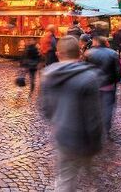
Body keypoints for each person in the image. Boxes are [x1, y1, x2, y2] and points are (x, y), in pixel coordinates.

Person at [39, 36, 103, 192]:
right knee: (89, 179)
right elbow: (93, 116)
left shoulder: (47, 75)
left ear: (58, 53)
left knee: (65, 178)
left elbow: (46, 109)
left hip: (63, 135)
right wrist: (96, 142)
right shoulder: (90, 77)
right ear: (79, 53)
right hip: (85, 138)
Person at [84, 36, 121, 140]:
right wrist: (115, 81)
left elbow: (84, 68)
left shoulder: (88, 53)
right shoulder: (113, 53)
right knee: (108, 109)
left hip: (92, 86)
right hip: (108, 86)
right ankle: (106, 130)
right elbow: (118, 71)